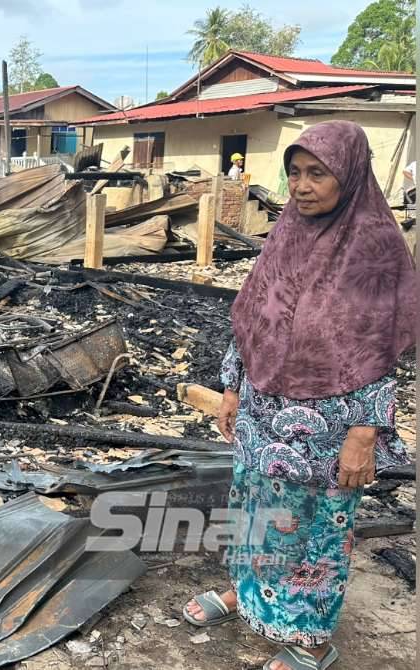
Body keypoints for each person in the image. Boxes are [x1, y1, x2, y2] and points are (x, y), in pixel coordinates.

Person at [182, 121, 418, 670]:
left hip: (330, 421)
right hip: (263, 408)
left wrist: (365, 433)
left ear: (350, 175)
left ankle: (312, 638)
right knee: (255, 509)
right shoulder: (286, 232)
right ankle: (250, 594)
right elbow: (253, 317)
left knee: (318, 526)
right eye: (294, 174)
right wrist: (232, 387)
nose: (303, 186)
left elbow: (381, 346)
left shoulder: (375, 247)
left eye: (318, 173)